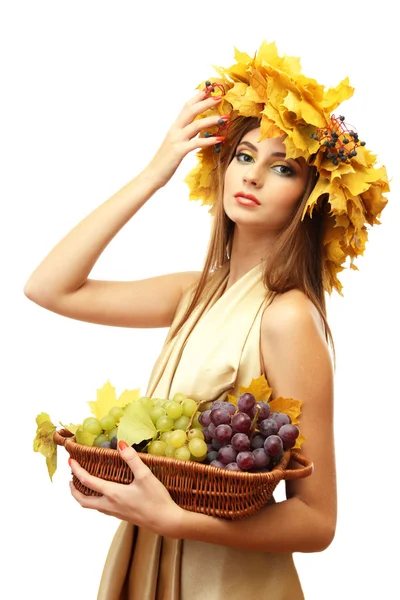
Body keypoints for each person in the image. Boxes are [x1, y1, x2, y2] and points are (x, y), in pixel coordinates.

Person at [24, 41, 389, 599]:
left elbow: (318, 522)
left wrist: (176, 521)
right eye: (243, 156)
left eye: (283, 167)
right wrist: (153, 174)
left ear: (310, 198)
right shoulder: (193, 293)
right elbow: (48, 287)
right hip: (149, 553)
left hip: (226, 582)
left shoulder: (286, 317)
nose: (253, 177)